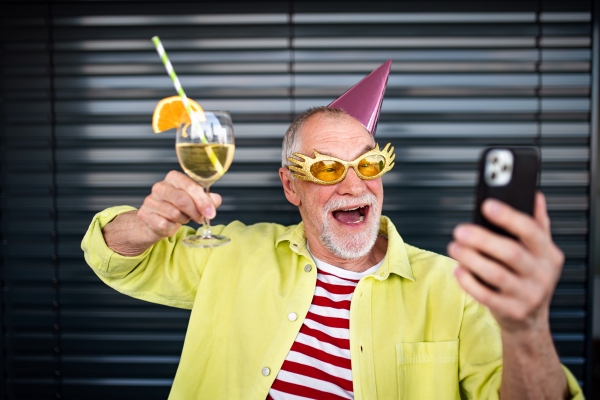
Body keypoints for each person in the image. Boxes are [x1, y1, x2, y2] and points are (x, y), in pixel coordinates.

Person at [82, 61, 583, 400]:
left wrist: (527, 327)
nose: (352, 184)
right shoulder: (230, 254)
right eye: (324, 168)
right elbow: (115, 257)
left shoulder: (458, 290)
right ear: (290, 186)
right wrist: (145, 225)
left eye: (368, 164)